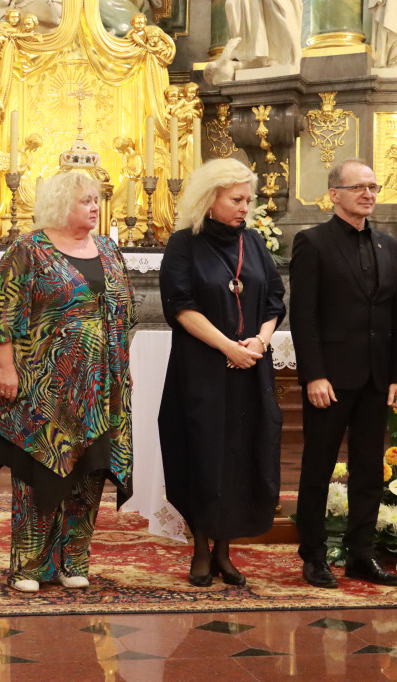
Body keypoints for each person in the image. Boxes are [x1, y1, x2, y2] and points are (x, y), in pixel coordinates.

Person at [0, 171, 135, 593]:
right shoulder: (27, 250)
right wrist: (6, 369)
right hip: (43, 387)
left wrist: (120, 365)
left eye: (96, 200)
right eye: (85, 200)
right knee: (40, 475)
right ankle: (29, 566)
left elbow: (124, 312)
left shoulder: (108, 248)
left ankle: (74, 562)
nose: (94, 207)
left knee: (91, 473)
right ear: (59, 204)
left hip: (101, 389)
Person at [157, 159, 285, 588]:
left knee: (241, 454)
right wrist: (227, 346)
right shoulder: (183, 244)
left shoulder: (255, 242)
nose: (245, 207)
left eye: (248, 199)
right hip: (201, 371)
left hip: (250, 368)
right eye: (236, 199)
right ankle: (198, 547)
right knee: (202, 453)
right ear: (209, 198)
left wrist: (259, 343)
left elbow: (274, 302)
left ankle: (225, 550)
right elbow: (180, 306)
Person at [289, 158, 397, 589]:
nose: (368, 194)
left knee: (367, 470)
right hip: (331, 380)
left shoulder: (389, 246)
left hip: (378, 378)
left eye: (374, 187)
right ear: (334, 194)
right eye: (358, 187)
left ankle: (362, 555)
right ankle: (314, 556)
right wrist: (313, 375)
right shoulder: (313, 242)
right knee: (317, 468)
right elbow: (302, 317)